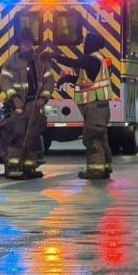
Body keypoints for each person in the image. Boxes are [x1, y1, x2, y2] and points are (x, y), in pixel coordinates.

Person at [47, 32, 113, 179]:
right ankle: (105, 168)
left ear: (91, 44)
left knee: (92, 139)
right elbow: (84, 76)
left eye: (86, 43)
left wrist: (55, 57)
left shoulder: (91, 59)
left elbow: (75, 63)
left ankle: (95, 171)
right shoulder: (97, 59)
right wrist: (67, 78)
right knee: (101, 138)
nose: (84, 45)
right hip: (101, 106)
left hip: (94, 105)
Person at [0, 27, 55, 179]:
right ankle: (14, 167)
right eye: (24, 42)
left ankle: (29, 168)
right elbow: (5, 81)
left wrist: (43, 99)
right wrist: (14, 98)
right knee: (17, 135)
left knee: (32, 136)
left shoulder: (40, 62)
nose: (27, 45)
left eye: (29, 42)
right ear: (19, 43)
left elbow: (49, 81)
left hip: (34, 104)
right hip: (19, 104)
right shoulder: (12, 62)